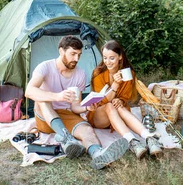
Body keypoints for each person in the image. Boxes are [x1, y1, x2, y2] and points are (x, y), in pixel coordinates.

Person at [25, 35, 129, 169]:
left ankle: (98, 154)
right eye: (73, 54)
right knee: (42, 99)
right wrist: (57, 96)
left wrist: (87, 108)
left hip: (66, 115)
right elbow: (29, 91)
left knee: (87, 130)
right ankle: (65, 137)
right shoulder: (44, 67)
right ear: (61, 51)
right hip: (45, 118)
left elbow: (75, 107)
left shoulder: (80, 74)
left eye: (79, 55)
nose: (76, 59)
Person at [86, 40, 163, 159]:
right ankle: (133, 141)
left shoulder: (127, 74)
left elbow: (126, 97)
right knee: (110, 106)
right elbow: (101, 101)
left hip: (118, 114)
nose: (107, 62)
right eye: (105, 58)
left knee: (119, 106)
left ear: (120, 57)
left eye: (112, 58)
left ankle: (147, 138)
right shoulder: (98, 73)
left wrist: (120, 100)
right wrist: (115, 85)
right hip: (100, 116)